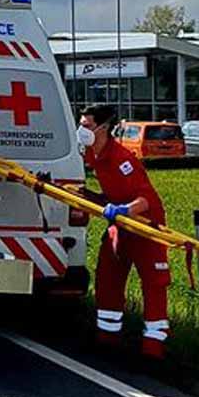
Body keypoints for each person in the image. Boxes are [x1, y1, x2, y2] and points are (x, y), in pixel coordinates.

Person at [79, 104, 171, 360]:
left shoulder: (123, 159)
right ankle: (107, 339)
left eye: (86, 126)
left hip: (144, 224)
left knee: (154, 284)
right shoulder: (92, 154)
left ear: (104, 127)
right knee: (107, 275)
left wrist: (122, 210)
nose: (81, 130)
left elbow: (145, 200)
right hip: (119, 223)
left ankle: (154, 349)